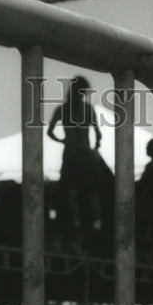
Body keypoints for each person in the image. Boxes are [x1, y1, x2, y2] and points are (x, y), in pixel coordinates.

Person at [47, 75, 102, 252]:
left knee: (75, 192)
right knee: (88, 192)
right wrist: (94, 148)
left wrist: (64, 141)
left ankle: (81, 222)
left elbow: (50, 132)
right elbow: (99, 134)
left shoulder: (64, 109)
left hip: (74, 152)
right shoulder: (86, 109)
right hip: (83, 153)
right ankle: (92, 223)